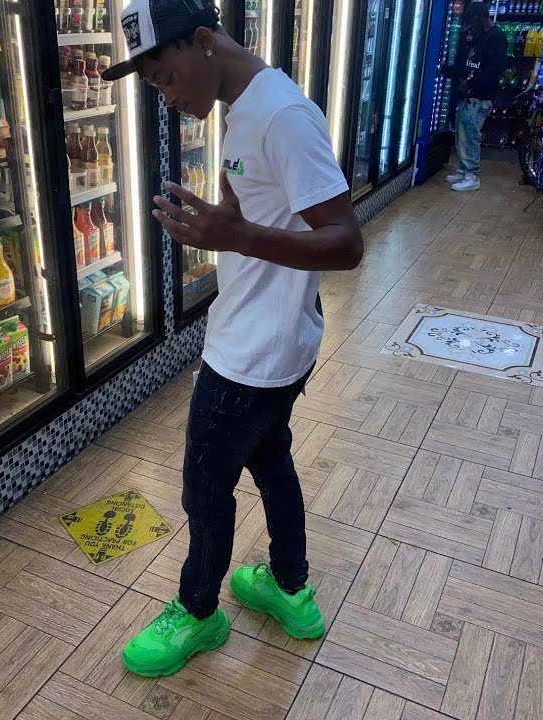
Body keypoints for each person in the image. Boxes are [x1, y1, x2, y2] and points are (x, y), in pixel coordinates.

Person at [100, 0, 363, 678]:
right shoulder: (244, 108)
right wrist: (230, 222)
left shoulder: (280, 116)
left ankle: (198, 612)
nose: (166, 95)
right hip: (275, 341)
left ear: (204, 41)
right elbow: (266, 215)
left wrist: (236, 235)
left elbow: (346, 243)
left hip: (250, 357)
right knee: (271, 460)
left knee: (204, 491)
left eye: (165, 77)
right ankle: (290, 586)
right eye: (153, 86)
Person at [447, 3, 507, 191]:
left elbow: (494, 70)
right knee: (462, 133)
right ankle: (464, 170)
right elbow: (469, 61)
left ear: (482, 19)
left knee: (471, 136)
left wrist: (471, 82)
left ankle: (472, 176)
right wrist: (452, 72)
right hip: (469, 94)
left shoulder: (497, 37)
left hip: (481, 96)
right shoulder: (480, 35)